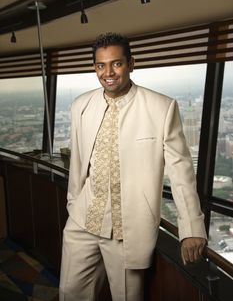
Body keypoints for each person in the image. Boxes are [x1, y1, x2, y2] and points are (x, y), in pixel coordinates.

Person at [59, 32, 207, 301]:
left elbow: (181, 172)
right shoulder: (80, 105)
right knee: (70, 293)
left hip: (128, 231)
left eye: (116, 63)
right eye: (101, 65)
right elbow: (80, 163)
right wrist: (74, 204)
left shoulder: (161, 108)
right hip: (82, 221)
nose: (108, 72)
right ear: (94, 68)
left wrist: (192, 229)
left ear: (131, 64)